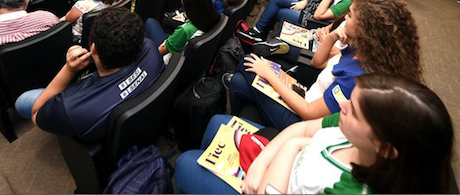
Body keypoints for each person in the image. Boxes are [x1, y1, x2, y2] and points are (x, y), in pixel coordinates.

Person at [175, 73, 453, 194]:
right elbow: (303, 128)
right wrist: (264, 160)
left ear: (383, 147)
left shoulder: (351, 190)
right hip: (271, 165)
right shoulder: (351, 130)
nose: (343, 105)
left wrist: (293, 146)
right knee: (218, 123)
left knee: (186, 163)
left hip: (267, 178)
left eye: (354, 110)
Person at [230, 0, 423, 131]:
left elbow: (308, 112)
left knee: (248, 64)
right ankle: (237, 123)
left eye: (350, 15)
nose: (345, 19)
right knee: (240, 81)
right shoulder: (359, 49)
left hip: (302, 122)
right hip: (306, 95)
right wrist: (332, 37)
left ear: (368, 29)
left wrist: (270, 75)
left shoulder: (358, 78)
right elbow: (317, 63)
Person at [14, 8, 165, 142]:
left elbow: (36, 113)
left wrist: (68, 69)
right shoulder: (150, 49)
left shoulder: (70, 107)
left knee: (23, 102)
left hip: (84, 114)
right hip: (135, 117)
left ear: (93, 49)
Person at [144, 0, 221, 63]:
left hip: (169, 62)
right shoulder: (216, 16)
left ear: (186, 2)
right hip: (198, 57)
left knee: (150, 22)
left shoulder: (184, 30)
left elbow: (160, 51)